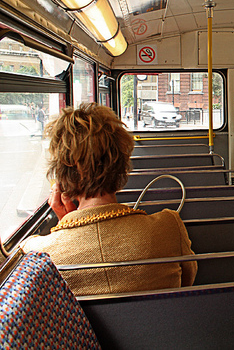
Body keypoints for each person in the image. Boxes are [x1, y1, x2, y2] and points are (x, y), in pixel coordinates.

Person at [20, 103, 197, 296]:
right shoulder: (169, 226)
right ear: (122, 164)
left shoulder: (37, 253)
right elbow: (186, 287)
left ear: (62, 174)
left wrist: (67, 225)